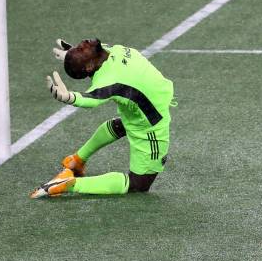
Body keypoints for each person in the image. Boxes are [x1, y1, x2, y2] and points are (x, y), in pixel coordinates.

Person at [30, 38, 176, 198]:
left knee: (123, 125)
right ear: (90, 66)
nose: (83, 43)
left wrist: (70, 54)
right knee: (139, 185)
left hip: (139, 108)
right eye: (81, 50)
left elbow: (88, 58)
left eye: (79, 46)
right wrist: (70, 97)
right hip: (152, 119)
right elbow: (91, 98)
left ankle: (76, 160)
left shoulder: (104, 52)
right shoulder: (108, 80)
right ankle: (69, 184)